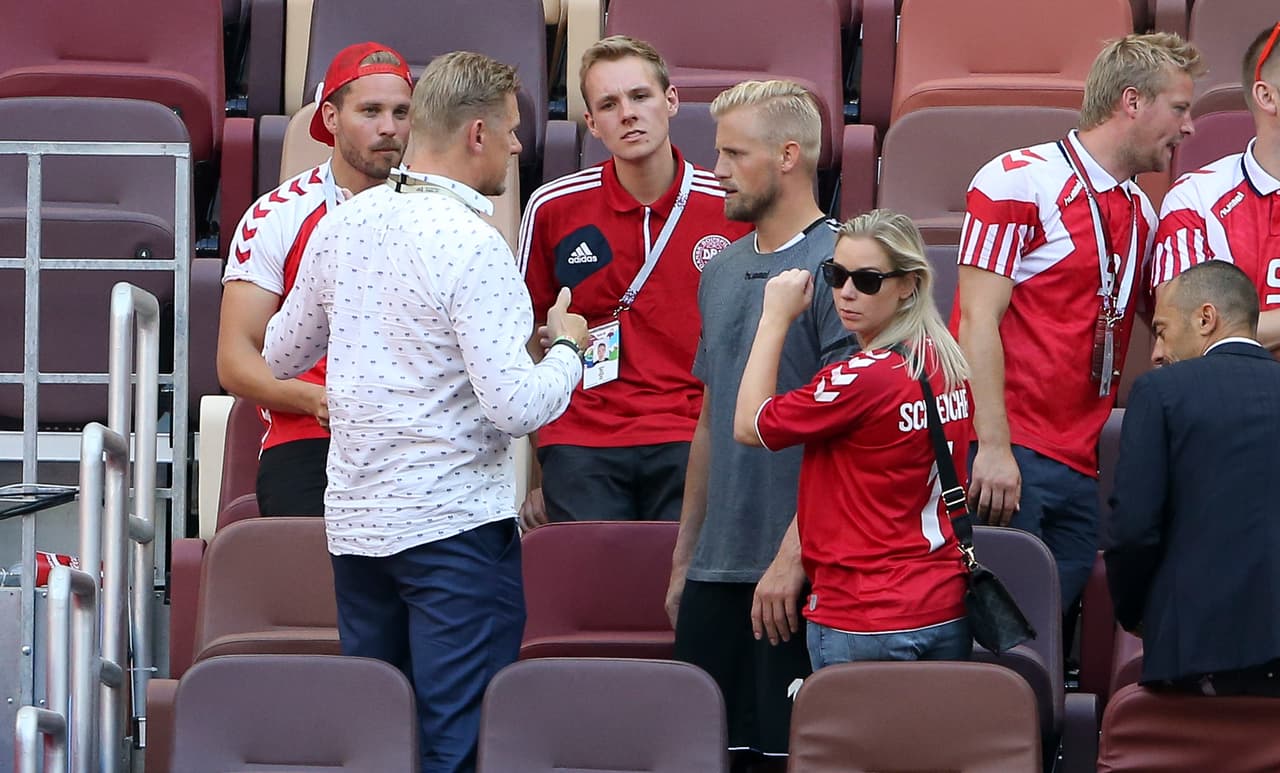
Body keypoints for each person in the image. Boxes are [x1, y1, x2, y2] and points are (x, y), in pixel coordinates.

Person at [261, 51, 589, 772]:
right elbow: (513, 406)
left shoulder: (343, 224)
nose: (515, 145)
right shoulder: (477, 244)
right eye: (508, 130)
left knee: (378, 734)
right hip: (454, 535)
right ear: (475, 133)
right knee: (455, 743)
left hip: (358, 529)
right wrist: (567, 349)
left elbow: (279, 352)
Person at [952, 33, 1204, 611]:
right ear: (1133, 102)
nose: (1189, 127)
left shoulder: (1142, 209)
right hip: (1008, 451)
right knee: (998, 639)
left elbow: (1174, 325)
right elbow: (976, 320)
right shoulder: (1017, 178)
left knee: (1041, 638)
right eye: (1180, 108)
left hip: (1079, 461)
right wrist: (991, 445)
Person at [666, 79, 853, 771]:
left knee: (789, 758)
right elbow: (712, 422)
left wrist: (793, 556)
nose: (716, 167)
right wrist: (686, 556)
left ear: (788, 156)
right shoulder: (721, 270)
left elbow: (854, 434)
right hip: (718, 569)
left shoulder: (847, 267)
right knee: (705, 756)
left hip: (803, 573)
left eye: (734, 153)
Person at [517, 35, 751, 526]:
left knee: (680, 596)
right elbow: (523, 342)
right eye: (608, 104)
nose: (627, 113)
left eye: (640, 96)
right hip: (581, 437)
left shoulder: (731, 206)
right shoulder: (552, 207)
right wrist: (536, 468)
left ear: (670, 101)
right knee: (595, 596)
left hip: (693, 431)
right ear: (592, 124)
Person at [734, 210, 973, 669]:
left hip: (865, 614)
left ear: (909, 284)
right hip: (943, 606)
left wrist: (774, 318)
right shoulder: (948, 364)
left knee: (856, 745)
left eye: (867, 280)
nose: (846, 292)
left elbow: (750, 423)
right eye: (836, 274)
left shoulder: (862, 378)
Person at [217, 41, 412, 515]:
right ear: (329, 117)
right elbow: (234, 359)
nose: (389, 127)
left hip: (416, 440)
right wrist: (315, 400)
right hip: (308, 438)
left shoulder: (438, 210)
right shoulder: (277, 215)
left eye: (401, 112)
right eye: (370, 111)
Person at [1104, 259, 1280, 696]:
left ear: (1206, 318)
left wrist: (1134, 613)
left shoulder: (1160, 392)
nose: (1157, 351)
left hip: (1198, 654)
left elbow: (1134, 529)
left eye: (1161, 330)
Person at [1150, 22, 1280, 352]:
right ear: (1267, 96)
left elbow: (1215, 334)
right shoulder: (1196, 197)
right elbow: (1183, 335)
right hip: (1234, 400)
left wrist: (1240, 328)